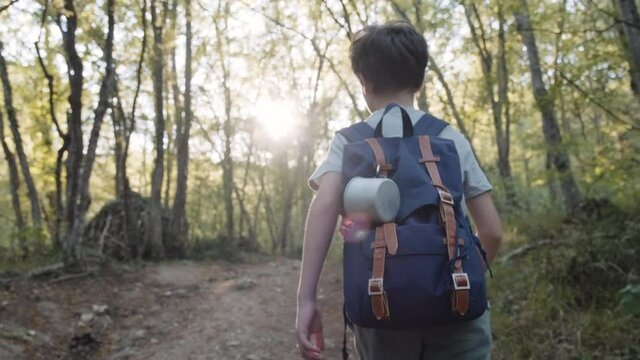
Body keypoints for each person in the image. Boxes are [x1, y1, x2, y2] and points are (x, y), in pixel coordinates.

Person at [296, 21, 502, 360]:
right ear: (420, 80)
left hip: (381, 311)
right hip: (458, 307)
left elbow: (324, 207)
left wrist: (307, 300)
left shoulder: (350, 141)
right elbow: (491, 231)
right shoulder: (449, 137)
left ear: (364, 82)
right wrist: (463, 277)